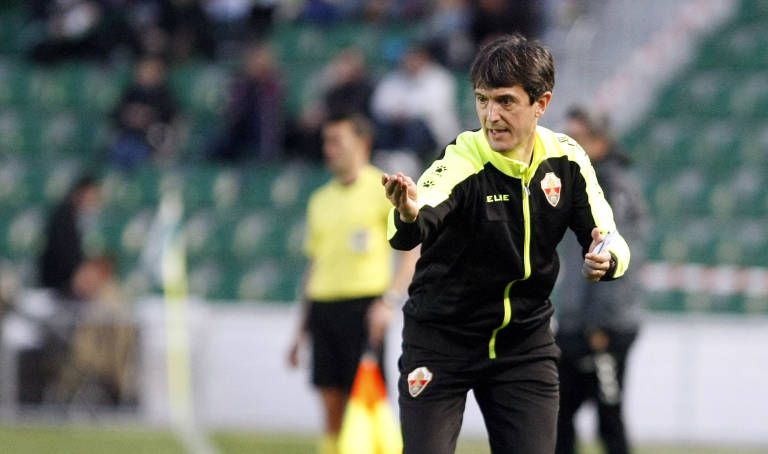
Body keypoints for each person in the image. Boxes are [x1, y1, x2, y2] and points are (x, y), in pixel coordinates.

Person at [381, 34, 631, 454]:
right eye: (482, 100)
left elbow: (609, 237)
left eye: (505, 101)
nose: (490, 115)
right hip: (442, 340)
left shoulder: (567, 159)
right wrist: (407, 212)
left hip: (524, 345)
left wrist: (607, 259)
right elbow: (416, 217)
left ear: (541, 103)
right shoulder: (463, 158)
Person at [287, 113, 418, 454]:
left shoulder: (383, 189)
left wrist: (388, 302)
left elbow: (411, 251)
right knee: (330, 403)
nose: (328, 150)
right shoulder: (320, 200)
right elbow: (314, 264)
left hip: (364, 307)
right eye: (326, 142)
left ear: (362, 144)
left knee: (367, 402)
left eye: (336, 141)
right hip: (323, 307)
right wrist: (300, 330)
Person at [554, 106, 649, 454]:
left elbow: (621, 258)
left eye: (576, 139)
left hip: (602, 326)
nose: (568, 147)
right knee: (560, 413)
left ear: (598, 140)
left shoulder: (612, 187)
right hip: (579, 321)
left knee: (606, 417)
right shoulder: (584, 182)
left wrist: (599, 325)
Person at [206, 42, 284, 162]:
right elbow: (234, 112)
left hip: (264, 131)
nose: (254, 64)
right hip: (240, 131)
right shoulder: (243, 82)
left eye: (259, 60)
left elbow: (271, 111)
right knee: (218, 143)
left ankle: (265, 161)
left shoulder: (272, 82)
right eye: (253, 60)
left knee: (264, 118)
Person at [109, 56, 180, 170]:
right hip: (128, 136)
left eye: (150, 71)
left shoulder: (164, 95)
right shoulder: (131, 92)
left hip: (151, 141)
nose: (145, 74)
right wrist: (129, 116)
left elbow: (169, 118)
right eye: (143, 70)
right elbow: (116, 114)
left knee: (142, 158)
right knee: (120, 151)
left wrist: (148, 117)